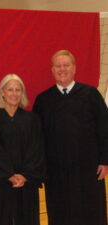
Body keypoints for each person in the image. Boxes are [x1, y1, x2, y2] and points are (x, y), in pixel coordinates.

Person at [33, 49, 108, 225]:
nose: (62, 69)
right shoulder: (43, 100)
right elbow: (36, 139)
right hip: (56, 172)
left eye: (66, 65)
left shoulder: (91, 95)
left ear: (74, 68)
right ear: (52, 70)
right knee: (60, 213)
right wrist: (39, 169)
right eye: (58, 65)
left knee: (92, 213)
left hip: (89, 171)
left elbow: (105, 129)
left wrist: (105, 160)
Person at [0, 74, 46, 225]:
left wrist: (25, 174)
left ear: (22, 93)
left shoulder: (33, 120)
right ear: (2, 92)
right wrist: (8, 174)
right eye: (10, 89)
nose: (14, 94)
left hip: (26, 182)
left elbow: (36, 150)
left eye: (18, 90)